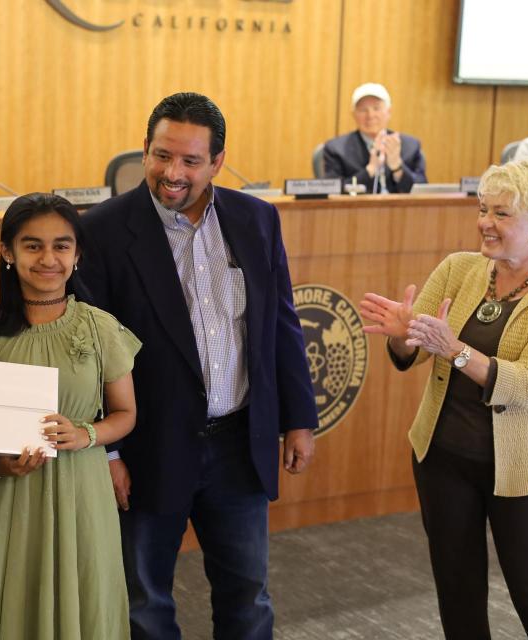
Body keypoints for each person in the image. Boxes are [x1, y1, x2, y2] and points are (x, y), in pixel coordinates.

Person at [78, 92, 318, 640]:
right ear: (145, 149)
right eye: (162, 155)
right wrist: (107, 451)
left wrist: (298, 419)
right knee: (144, 603)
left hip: (238, 443)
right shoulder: (104, 230)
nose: (173, 173)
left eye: (190, 160)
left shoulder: (256, 219)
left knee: (247, 596)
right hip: (148, 446)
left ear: (217, 161)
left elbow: (280, 323)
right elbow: (88, 352)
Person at [359, 157, 528, 639]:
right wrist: (406, 336)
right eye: (483, 209)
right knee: (457, 593)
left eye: (501, 214)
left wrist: (455, 349)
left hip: (524, 474)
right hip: (442, 460)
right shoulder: (459, 268)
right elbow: (414, 352)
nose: (484, 222)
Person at [0, 193, 141, 639]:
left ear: (77, 254)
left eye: (61, 245)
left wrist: (85, 434)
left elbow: (126, 414)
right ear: (7, 252)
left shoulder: (100, 328)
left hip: (84, 491)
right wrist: (0, 464)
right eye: (32, 245)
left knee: (86, 601)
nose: (48, 258)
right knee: (12, 606)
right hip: (11, 500)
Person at [322, 82, 427, 194]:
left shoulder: (410, 146)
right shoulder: (336, 149)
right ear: (354, 114)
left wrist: (397, 167)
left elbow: (423, 190)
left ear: (389, 112)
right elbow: (331, 191)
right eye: (363, 110)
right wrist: (369, 170)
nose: (370, 115)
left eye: (376, 108)